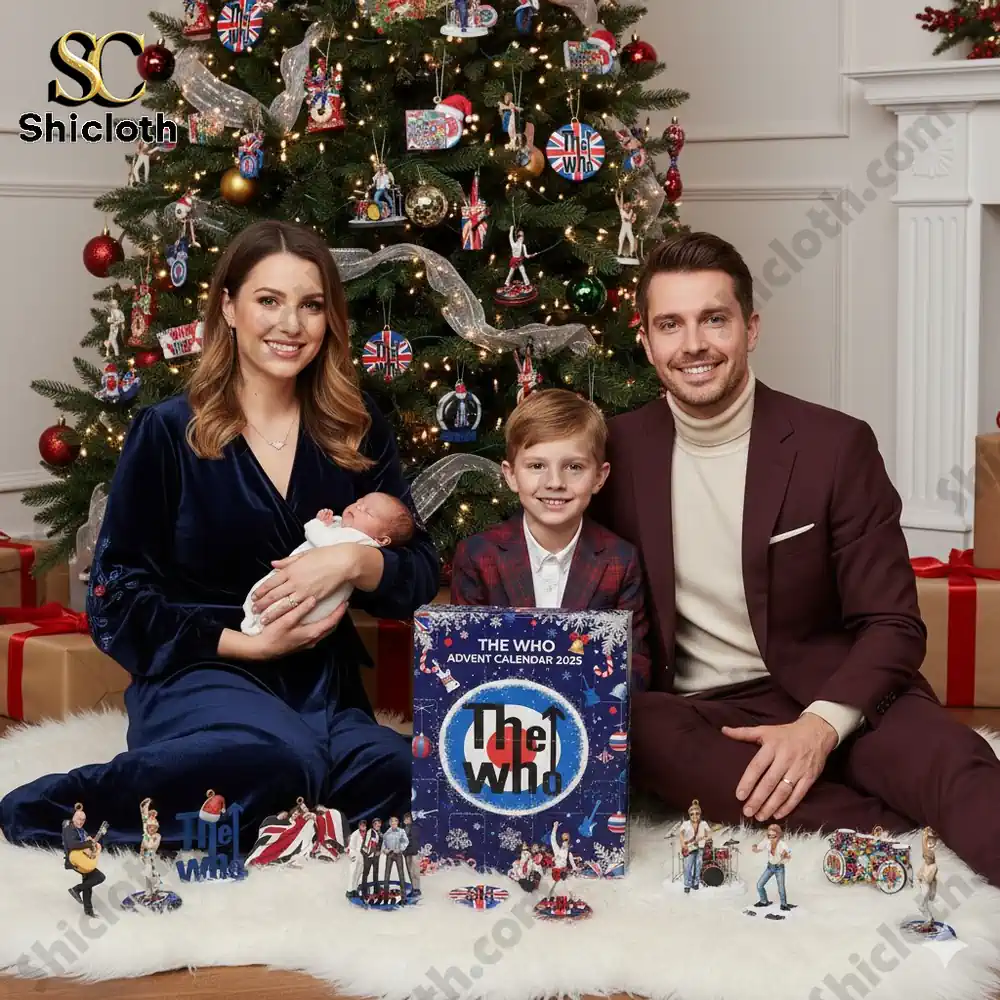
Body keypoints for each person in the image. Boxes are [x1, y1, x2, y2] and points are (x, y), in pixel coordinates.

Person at [0, 220, 439, 851]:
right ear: (228, 308)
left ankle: (290, 816)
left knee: (414, 777)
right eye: (269, 300)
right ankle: (56, 809)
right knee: (274, 764)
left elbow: (418, 570)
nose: (291, 324)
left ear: (329, 318)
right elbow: (115, 601)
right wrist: (244, 646)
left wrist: (351, 564)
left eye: (310, 305)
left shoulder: (358, 429)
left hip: (323, 689)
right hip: (201, 677)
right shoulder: (167, 432)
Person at [589, 230, 1000, 886]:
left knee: (956, 763)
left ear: (750, 328)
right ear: (646, 341)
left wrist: (819, 728)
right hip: (708, 713)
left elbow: (894, 624)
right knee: (633, 729)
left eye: (713, 319)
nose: (692, 344)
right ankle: (898, 834)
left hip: (843, 691)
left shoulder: (834, 445)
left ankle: (891, 805)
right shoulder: (615, 451)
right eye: (670, 324)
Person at [450, 388, 651, 691]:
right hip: (500, 716)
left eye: (574, 467)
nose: (555, 483)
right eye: (536, 466)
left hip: (589, 716)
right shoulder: (478, 556)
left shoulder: (620, 560)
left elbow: (635, 665)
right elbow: (462, 658)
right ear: (511, 474)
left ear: (599, 476)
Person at [241, 494, 414, 635]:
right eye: (358, 502)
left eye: (368, 512)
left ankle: (254, 626)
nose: (358, 507)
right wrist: (330, 522)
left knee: (272, 602)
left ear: (382, 539)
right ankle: (254, 624)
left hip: (311, 595)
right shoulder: (348, 531)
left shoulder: (359, 540)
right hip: (304, 588)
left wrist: (317, 524)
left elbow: (322, 539)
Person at [63, 803, 105, 919]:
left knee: (89, 882)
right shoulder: (69, 829)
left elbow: (87, 846)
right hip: (74, 860)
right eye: (79, 819)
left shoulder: (82, 831)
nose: (81, 822)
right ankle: (76, 889)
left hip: (82, 859)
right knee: (99, 877)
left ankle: (88, 911)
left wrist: (93, 847)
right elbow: (72, 844)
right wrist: (88, 844)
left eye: (83, 820)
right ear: (73, 818)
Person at [752, 823, 792, 911]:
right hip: (770, 867)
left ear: (778, 835)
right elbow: (759, 848)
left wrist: (786, 855)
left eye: (774, 836)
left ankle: (784, 904)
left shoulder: (782, 844)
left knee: (781, 887)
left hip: (779, 868)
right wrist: (755, 848)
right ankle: (764, 901)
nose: (771, 838)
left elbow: (789, 853)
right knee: (759, 885)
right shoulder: (767, 841)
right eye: (769, 835)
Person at [678, 798, 710, 893]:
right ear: (689, 815)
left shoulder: (703, 824)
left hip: (700, 847)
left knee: (698, 865)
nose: (694, 815)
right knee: (688, 866)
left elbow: (709, 834)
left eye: (697, 813)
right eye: (692, 814)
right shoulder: (686, 824)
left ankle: (696, 883)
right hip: (690, 848)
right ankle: (687, 884)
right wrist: (683, 843)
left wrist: (704, 838)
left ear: (700, 814)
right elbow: (681, 834)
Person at [381, 815, 408, 897]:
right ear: (390, 823)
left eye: (395, 822)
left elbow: (405, 842)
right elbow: (384, 844)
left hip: (398, 854)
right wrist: (385, 850)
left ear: (397, 823)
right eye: (392, 822)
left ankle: (404, 895)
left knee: (401, 873)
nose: (393, 823)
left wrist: (400, 849)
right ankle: (385, 894)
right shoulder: (387, 833)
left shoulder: (401, 831)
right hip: (389, 854)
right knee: (387, 873)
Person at [346, 819, 367, 896]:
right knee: (353, 872)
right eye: (361, 825)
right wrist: (352, 855)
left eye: (364, 825)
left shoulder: (367, 834)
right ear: (359, 826)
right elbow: (351, 846)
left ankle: (355, 889)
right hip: (355, 854)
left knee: (359, 873)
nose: (363, 826)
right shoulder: (355, 834)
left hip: (363, 856)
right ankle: (349, 890)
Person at [402, 812, 421, 893]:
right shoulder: (403, 829)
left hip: (414, 852)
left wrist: (404, 841)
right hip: (407, 853)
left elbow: (412, 839)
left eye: (408, 819)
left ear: (411, 820)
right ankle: (412, 888)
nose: (407, 820)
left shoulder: (415, 827)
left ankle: (417, 888)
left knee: (415, 871)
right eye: (405, 819)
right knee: (409, 871)